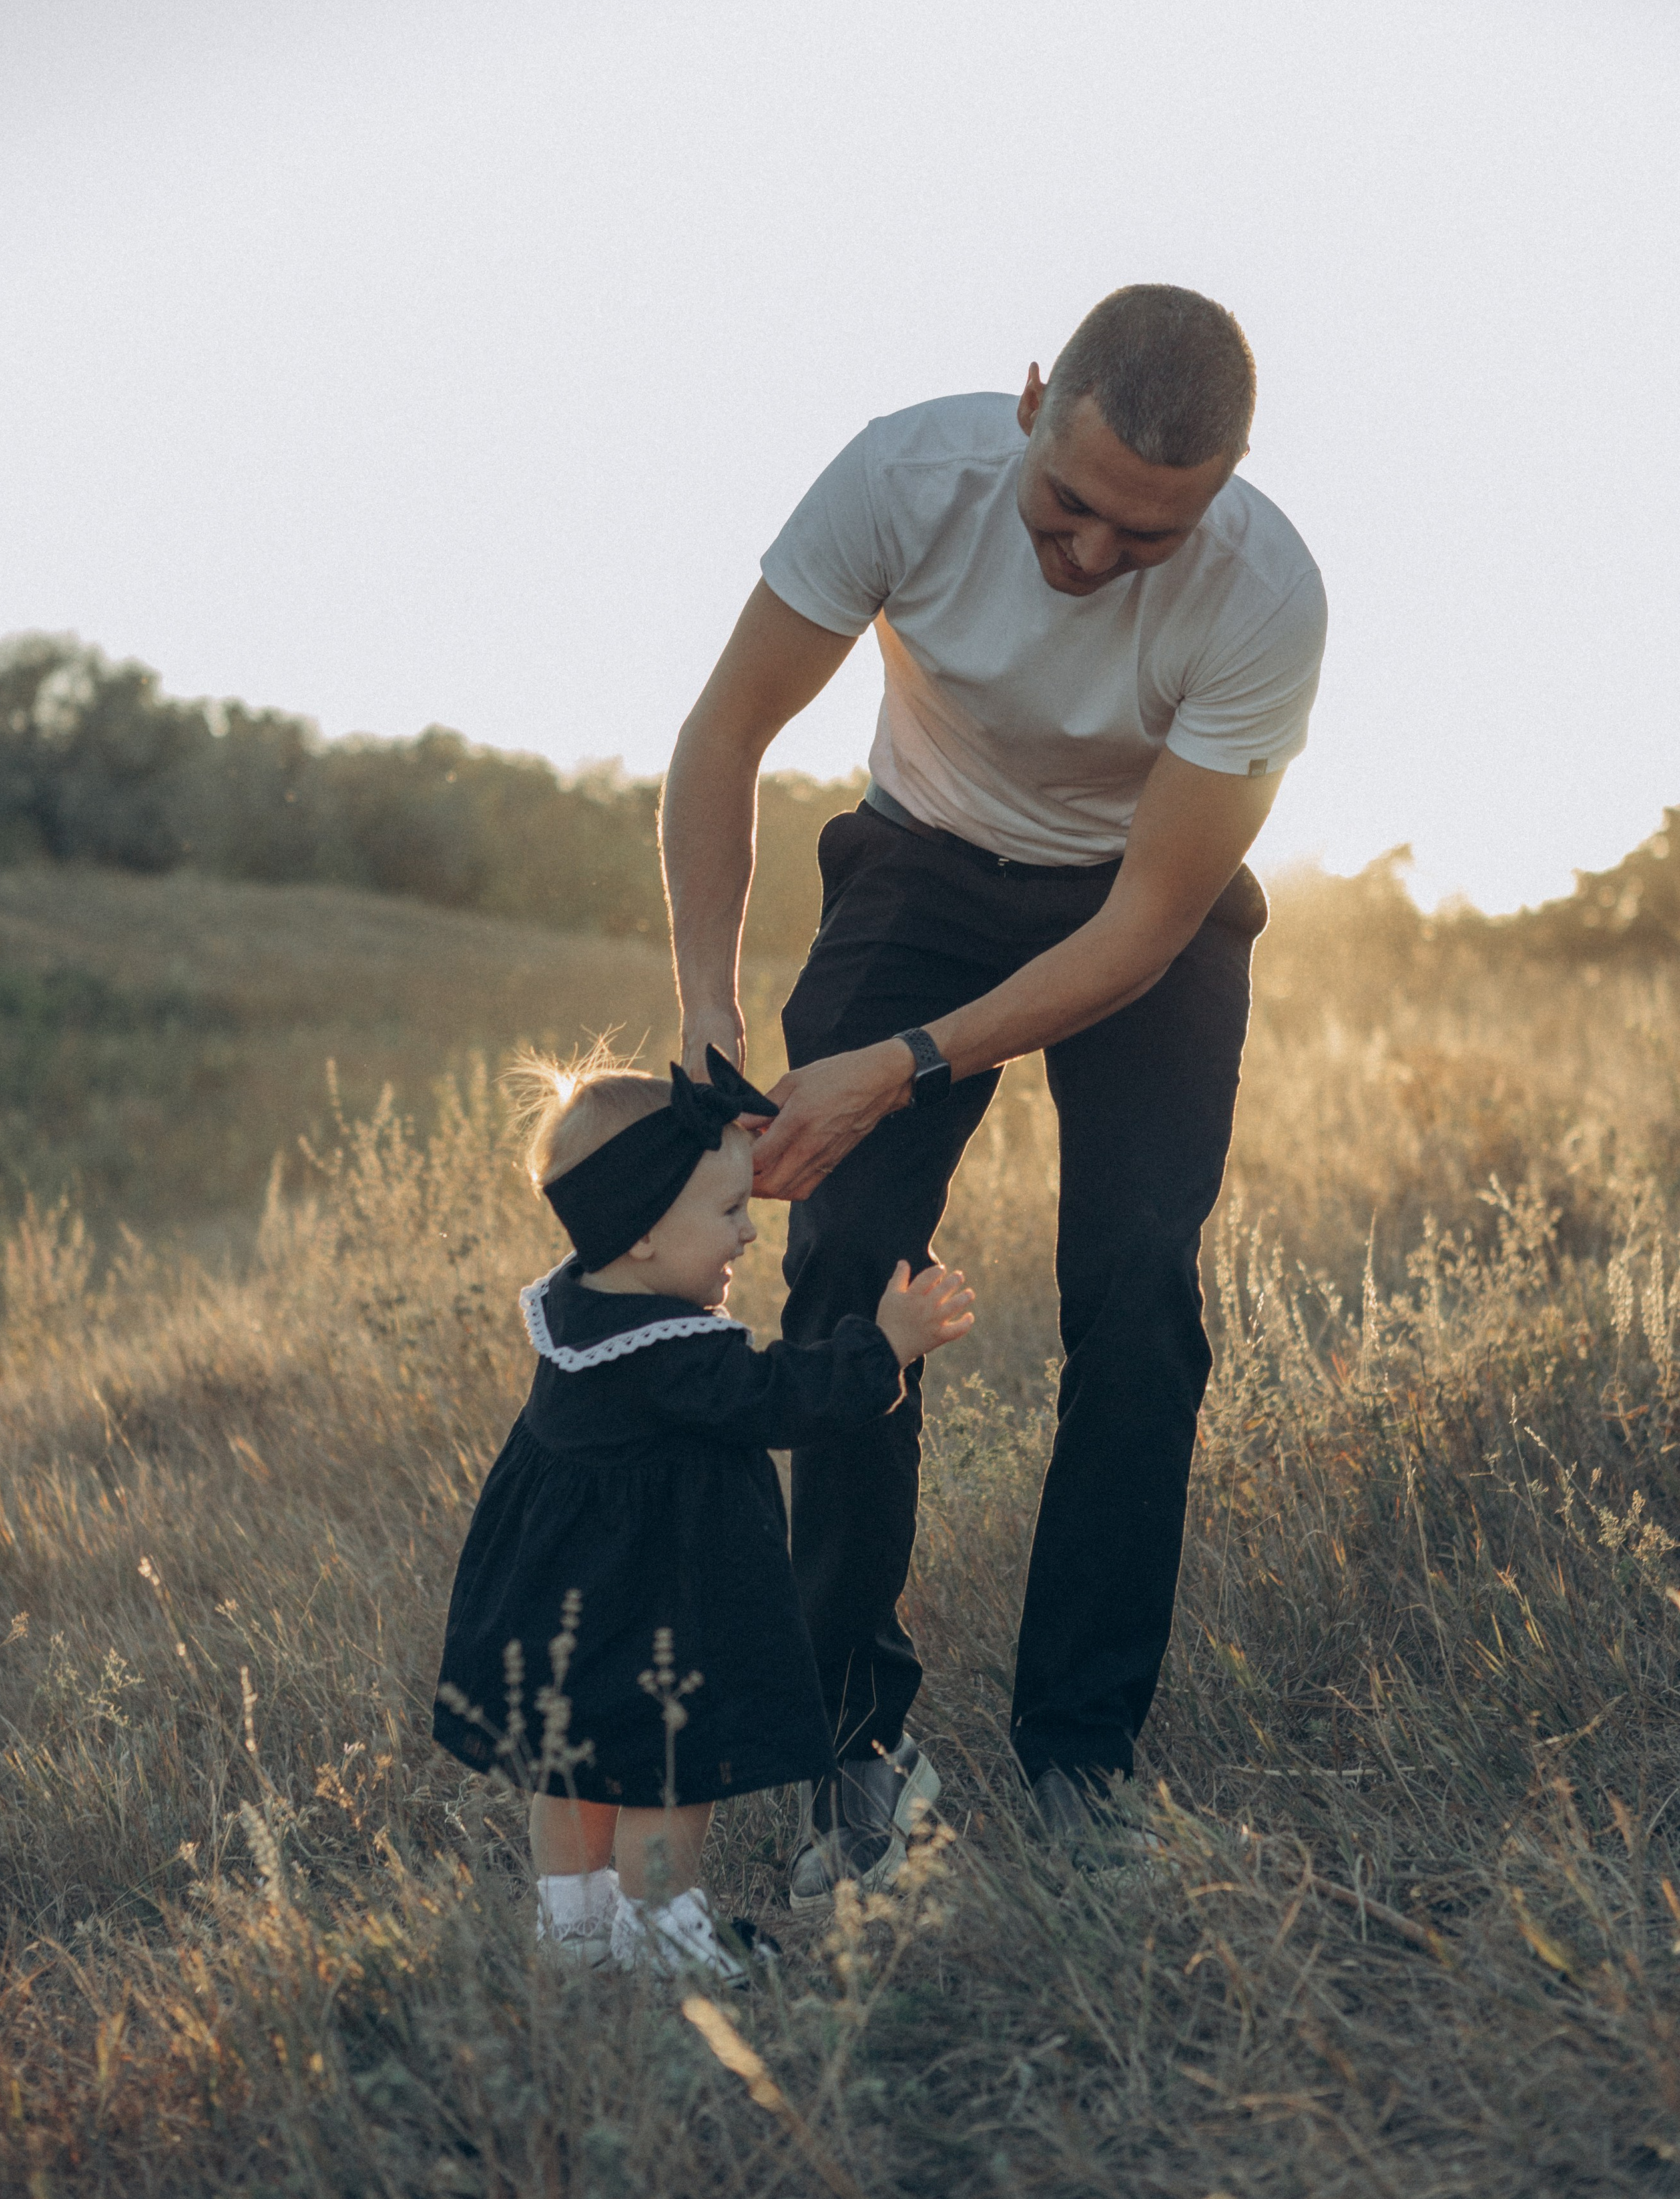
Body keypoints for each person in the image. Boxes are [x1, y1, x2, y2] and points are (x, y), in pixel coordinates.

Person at [661, 284, 1328, 1902]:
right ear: (1032, 398)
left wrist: (897, 1068)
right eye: (1071, 506)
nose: (1092, 558)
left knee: (1134, 1295)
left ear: (1225, 487)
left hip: (1133, 922)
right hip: (921, 874)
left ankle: (1080, 1762)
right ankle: (845, 1749)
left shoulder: (1266, 597)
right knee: (839, 1269)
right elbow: (724, 733)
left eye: (1146, 538)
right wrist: (703, 1013)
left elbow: (1142, 928)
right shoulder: (903, 477)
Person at [431, 1044, 973, 1978]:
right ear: (642, 1235)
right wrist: (886, 1346)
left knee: (571, 1759)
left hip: (567, 1600)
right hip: (660, 1605)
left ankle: (571, 1926)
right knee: (668, 1768)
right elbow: (779, 1398)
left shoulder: (574, 1312)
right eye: (728, 1212)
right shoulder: (676, 1352)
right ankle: (661, 1928)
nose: (749, 1236)